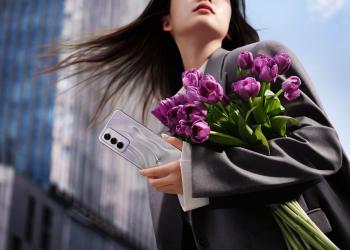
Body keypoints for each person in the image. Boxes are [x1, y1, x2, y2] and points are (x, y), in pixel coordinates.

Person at [43, 0, 350, 249]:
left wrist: (198, 173)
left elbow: (320, 147)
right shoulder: (162, 127)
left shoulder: (256, 61)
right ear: (166, 21)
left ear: (230, 23)